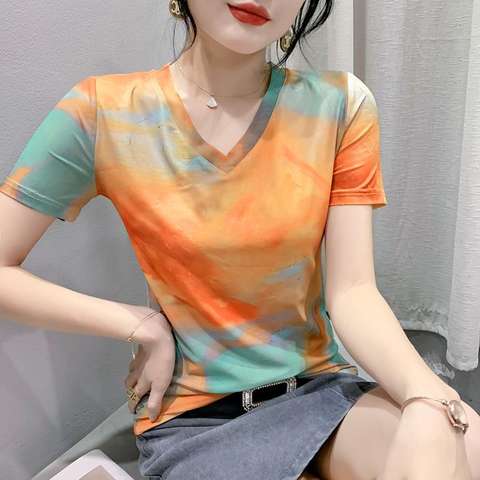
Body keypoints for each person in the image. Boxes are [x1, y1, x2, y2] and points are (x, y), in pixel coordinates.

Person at [1, 0, 479, 479]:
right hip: (198, 419)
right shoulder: (104, 111)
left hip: (318, 391)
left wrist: (425, 395)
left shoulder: (340, 105)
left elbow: (353, 290)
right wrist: (141, 323)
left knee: (465, 443)